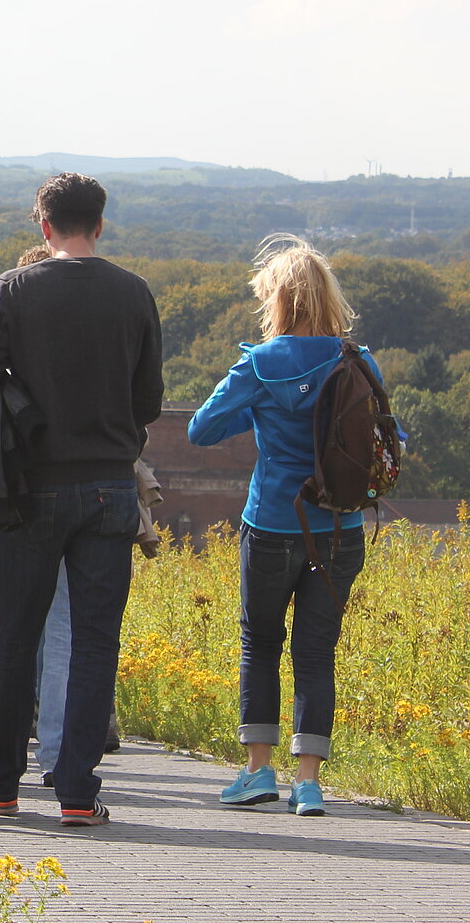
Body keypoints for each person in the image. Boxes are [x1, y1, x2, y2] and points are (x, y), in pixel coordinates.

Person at [0, 173, 162, 828]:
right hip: (108, 487)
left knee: (13, 639)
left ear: (42, 227)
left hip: (27, 487)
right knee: (94, 644)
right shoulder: (133, 293)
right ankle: (77, 790)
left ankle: (0, 784)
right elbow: (149, 402)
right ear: (100, 225)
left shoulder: (12, 289)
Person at [190, 236, 381, 818]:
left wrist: (259, 405)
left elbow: (200, 429)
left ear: (276, 300)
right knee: (316, 650)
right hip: (341, 528)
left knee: (260, 642)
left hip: (273, 521)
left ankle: (256, 772)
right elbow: (389, 440)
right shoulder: (356, 359)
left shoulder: (259, 364)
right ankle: (309, 783)